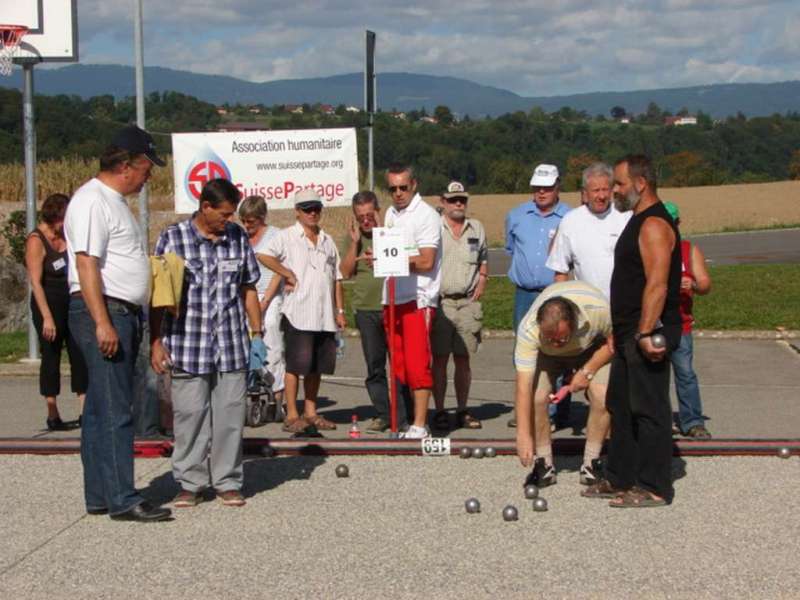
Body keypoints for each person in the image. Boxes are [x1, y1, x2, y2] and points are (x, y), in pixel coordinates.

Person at [65, 124, 171, 522]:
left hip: (118, 310)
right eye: (147, 169)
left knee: (98, 409)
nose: (149, 177)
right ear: (127, 165)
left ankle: (101, 494)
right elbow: (86, 262)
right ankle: (123, 498)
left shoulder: (110, 201)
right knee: (115, 409)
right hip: (106, 310)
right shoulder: (93, 201)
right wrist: (102, 322)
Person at [150, 178, 263, 509]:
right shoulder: (173, 239)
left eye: (232, 215)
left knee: (230, 416)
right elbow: (159, 297)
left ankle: (227, 481)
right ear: (206, 207)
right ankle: (190, 482)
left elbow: (248, 287)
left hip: (230, 344)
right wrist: (156, 341)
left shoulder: (237, 238)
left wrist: (257, 334)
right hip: (188, 344)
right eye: (224, 214)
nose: (228, 220)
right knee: (190, 417)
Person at [586, 154, 682, 508]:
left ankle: (655, 486)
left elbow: (657, 285)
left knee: (649, 407)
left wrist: (643, 334)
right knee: (620, 405)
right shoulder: (637, 219)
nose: (614, 191)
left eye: (621, 184)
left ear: (641, 184)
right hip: (628, 331)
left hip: (647, 330)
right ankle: (620, 477)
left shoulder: (654, 225)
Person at [260, 189, 346, 434]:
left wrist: (339, 310)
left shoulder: (327, 240)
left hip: (324, 314)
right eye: (307, 209)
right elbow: (263, 255)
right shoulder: (287, 237)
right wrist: (286, 273)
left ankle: (311, 412)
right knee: (295, 366)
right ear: (297, 211)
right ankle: (293, 414)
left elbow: (337, 278)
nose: (312, 213)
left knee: (317, 366)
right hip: (298, 311)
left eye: (316, 208)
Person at [514, 281, 614, 488]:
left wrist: (587, 371)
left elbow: (616, 341)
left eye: (561, 339)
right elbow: (523, 386)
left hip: (592, 347)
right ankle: (544, 464)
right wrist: (523, 435)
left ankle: (591, 463)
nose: (556, 344)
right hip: (546, 357)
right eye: (549, 338)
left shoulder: (598, 311)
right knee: (537, 397)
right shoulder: (529, 330)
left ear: (575, 322)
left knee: (602, 394)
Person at [339, 191, 412, 433]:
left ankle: (404, 415)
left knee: (399, 365)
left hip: (392, 306)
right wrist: (355, 243)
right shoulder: (353, 238)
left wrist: (382, 233)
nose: (366, 220)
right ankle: (383, 413)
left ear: (378, 211)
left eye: (370, 215)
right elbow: (346, 271)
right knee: (375, 365)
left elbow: (403, 262)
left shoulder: (392, 233)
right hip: (366, 309)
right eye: (361, 217)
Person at [505, 163, 571, 428]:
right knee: (524, 350)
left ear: (557, 187)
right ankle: (527, 408)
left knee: (558, 349)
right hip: (525, 293)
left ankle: (554, 411)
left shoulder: (570, 216)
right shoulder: (516, 215)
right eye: (537, 188)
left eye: (547, 187)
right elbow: (511, 248)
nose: (541, 192)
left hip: (556, 292)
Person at [382, 164, 442, 439]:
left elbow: (427, 261)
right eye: (392, 188)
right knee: (400, 364)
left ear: (413, 185)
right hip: (393, 295)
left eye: (402, 187)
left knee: (418, 364)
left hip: (419, 298)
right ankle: (404, 421)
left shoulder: (427, 215)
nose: (398, 193)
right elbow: (392, 254)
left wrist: (393, 259)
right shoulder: (390, 214)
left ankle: (421, 423)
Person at [25, 193, 88, 431]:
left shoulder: (68, 236)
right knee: (51, 355)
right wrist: (47, 318)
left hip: (70, 299)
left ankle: (84, 410)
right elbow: (35, 282)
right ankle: (53, 412)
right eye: (64, 219)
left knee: (78, 352)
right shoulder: (36, 240)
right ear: (54, 218)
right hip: (47, 302)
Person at [430, 181, 488, 431]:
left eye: (462, 200)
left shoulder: (476, 228)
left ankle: (463, 409)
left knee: (463, 360)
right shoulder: (434, 228)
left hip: (467, 302)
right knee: (440, 359)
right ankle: (441, 410)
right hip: (441, 302)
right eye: (453, 199)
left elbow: (483, 257)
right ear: (443, 202)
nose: (458, 204)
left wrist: (483, 277)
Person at [663, 201, 713, 438]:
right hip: (654, 324)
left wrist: (693, 284)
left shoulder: (688, 249)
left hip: (681, 324)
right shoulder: (649, 247)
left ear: (678, 223)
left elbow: (705, 284)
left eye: (671, 223)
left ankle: (692, 421)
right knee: (653, 376)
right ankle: (656, 422)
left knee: (685, 373)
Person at [546, 162, 631, 300]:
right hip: (588, 306)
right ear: (585, 193)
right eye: (596, 190)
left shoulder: (626, 216)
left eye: (605, 189)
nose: (602, 196)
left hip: (624, 304)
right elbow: (560, 270)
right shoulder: (570, 221)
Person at [239, 195, 285, 407]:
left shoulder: (275, 235)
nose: (247, 226)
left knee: (271, 338)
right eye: (244, 221)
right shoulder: (240, 237)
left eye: (251, 221)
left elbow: (279, 270)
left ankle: (277, 393)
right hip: (246, 294)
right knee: (247, 344)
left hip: (270, 294)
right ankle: (252, 390)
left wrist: (266, 299)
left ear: (262, 217)